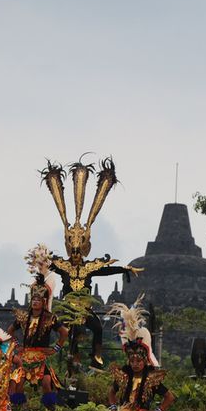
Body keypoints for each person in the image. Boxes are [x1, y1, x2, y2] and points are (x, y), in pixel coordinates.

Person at [40, 157, 141, 369]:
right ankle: (68, 356)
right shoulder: (63, 266)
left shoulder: (89, 268)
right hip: (68, 310)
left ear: (84, 249)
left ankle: (95, 355)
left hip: (85, 310)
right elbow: (47, 267)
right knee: (68, 331)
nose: (76, 254)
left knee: (97, 327)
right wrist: (40, 262)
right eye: (73, 250)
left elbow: (106, 270)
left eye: (79, 250)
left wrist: (125, 268)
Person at [106, 298, 176, 411]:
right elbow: (111, 393)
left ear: (145, 361)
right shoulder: (124, 375)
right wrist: (115, 408)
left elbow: (169, 396)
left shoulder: (151, 378)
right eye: (132, 360)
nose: (135, 363)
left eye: (139, 360)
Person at [7, 244, 69, 409]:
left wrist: (56, 348)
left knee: (47, 382)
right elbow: (10, 331)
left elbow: (64, 332)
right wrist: (17, 346)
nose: (35, 302)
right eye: (33, 299)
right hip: (25, 355)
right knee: (18, 382)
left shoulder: (50, 318)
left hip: (41, 356)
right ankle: (19, 410)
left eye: (38, 300)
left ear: (43, 302)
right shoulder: (24, 316)